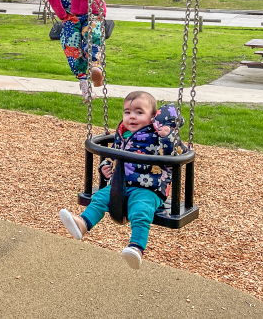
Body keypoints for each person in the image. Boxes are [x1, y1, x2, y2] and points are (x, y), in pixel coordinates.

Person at [58, 91, 187, 270]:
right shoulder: (122, 133)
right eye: (127, 112)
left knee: (141, 211)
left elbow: (176, 152)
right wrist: (105, 166)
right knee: (100, 198)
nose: (132, 116)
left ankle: (136, 248)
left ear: (152, 117)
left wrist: (168, 136)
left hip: (149, 189)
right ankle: (83, 224)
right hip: (120, 185)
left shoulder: (158, 135)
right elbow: (113, 154)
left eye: (139, 112)